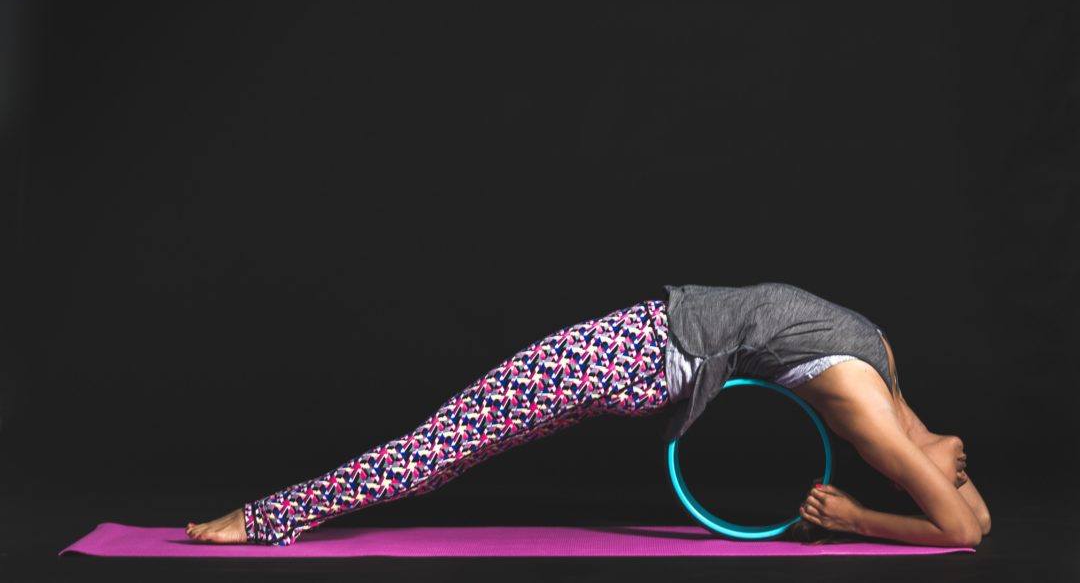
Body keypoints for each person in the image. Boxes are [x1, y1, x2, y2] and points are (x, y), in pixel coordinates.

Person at [186, 283, 991, 547]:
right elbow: (969, 525)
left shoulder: (877, 375)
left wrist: (858, 516)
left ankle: (270, 517)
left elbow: (961, 527)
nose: (944, 475)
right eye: (945, 469)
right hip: (632, 351)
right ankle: (280, 512)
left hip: (632, 352)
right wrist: (881, 508)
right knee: (448, 445)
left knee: (441, 444)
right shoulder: (878, 382)